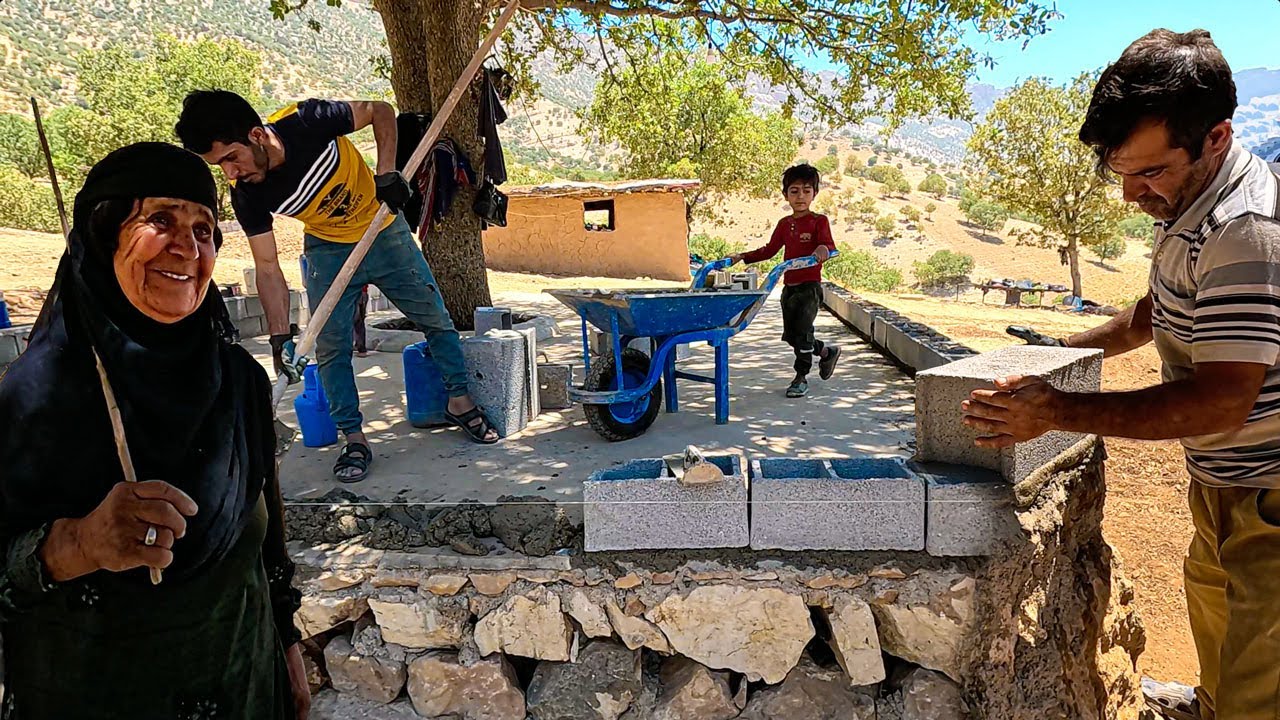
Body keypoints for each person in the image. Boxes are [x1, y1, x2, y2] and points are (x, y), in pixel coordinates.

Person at [961, 30, 1280, 720]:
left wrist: (1058, 410)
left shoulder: (1243, 227)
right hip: (1226, 485)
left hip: (1269, 492)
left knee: (1264, 682)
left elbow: (1223, 402)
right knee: (1224, 635)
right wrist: (1055, 354)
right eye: (1121, 173)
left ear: (1217, 136)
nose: (1133, 194)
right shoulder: (1185, 204)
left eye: (1151, 172)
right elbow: (1150, 316)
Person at [0, 142, 308, 718]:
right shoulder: (34, 398)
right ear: (104, 233)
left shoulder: (237, 380)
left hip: (244, 689)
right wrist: (79, 544)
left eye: (205, 229)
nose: (188, 248)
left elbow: (266, 534)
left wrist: (287, 647)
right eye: (160, 219)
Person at [176, 90, 498, 485]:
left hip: (384, 231)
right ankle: (355, 438)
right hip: (328, 251)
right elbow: (267, 266)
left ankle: (459, 401)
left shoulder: (307, 120)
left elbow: (382, 112)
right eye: (219, 165)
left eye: (230, 157)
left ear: (257, 136)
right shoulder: (248, 194)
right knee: (331, 350)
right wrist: (279, 336)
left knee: (436, 319)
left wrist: (386, 174)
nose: (230, 172)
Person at [727, 163, 841, 397]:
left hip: (809, 288)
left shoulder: (819, 221)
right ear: (786, 195)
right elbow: (769, 250)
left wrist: (822, 249)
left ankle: (801, 377)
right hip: (789, 287)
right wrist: (742, 256)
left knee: (803, 332)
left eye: (806, 191)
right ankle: (827, 353)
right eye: (795, 191)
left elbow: (828, 246)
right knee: (792, 336)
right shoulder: (784, 224)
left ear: (815, 194)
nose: (801, 196)